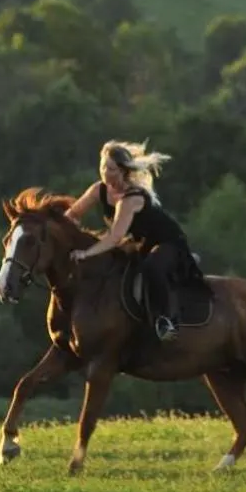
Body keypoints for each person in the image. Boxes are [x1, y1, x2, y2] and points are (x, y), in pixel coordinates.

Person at [64, 139, 199, 342]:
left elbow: (115, 237)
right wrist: (59, 230)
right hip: (140, 244)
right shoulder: (98, 190)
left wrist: (86, 253)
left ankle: (165, 321)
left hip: (167, 242)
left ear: (123, 171)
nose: (105, 173)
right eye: (103, 167)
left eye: (111, 169)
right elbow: (73, 214)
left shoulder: (131, 199)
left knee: (151, 268)